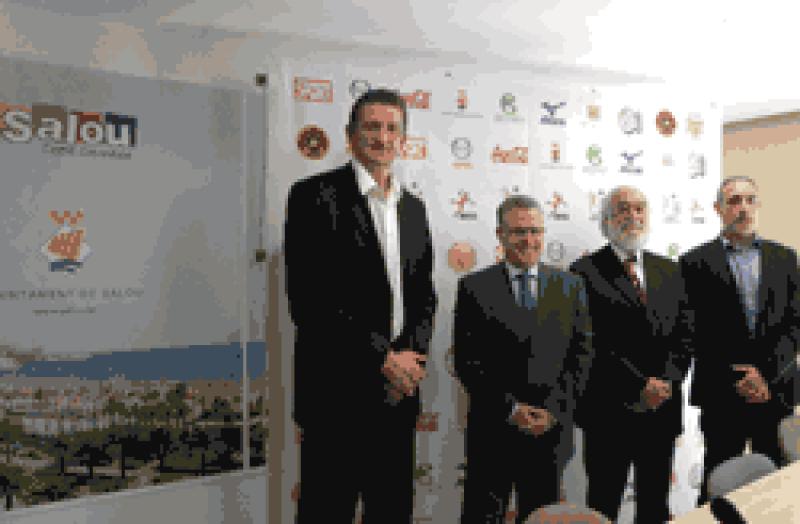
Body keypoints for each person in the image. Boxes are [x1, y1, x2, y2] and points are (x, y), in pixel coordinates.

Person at [284, 89, 436, 523]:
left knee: (391, 514)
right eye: (371, 127)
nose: (382, 137)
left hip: (396, 396)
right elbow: (310, 300)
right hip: (336, 396)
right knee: (326, 513)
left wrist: (411, 359)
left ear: (403, 140)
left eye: (392, 129)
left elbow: (423, 296)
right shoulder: (313, 196)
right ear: (350, 135)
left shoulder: (414, 209)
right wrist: (383, 358)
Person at [454, 195, 593, 524]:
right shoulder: (474, 287)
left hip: (549, 433)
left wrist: (554, 410)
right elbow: (468, 362)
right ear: (500, 234)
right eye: (518, 232)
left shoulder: (571, 286)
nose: (528, 240)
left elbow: (581, 356)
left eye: (535, 231)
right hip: (493, 431)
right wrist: (512, 409)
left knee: (541, 518)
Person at [570, 185, 692, 523]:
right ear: (606, 220)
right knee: (603, 505)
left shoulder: (670, 269)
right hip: (609, 412)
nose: (633, 216)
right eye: (623, 209)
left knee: (655, 506)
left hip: (661, 411)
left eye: (640, 208)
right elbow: (590, 344)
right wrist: (640, 385)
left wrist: (667, 380)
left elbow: (685, 335)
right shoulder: (583, 272)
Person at [680, 176, 799, 505]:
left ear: (759, 205)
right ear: (718, 209)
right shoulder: (693, 263)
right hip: (721, 392)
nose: (743, 208)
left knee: (779, 485)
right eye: (734, 201)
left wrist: (765, 376)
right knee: (717, 483)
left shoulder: (785, 258)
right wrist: (739, 376)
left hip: (775, 391)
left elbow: (794, 326)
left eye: (750, 200)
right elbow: (692, 331)